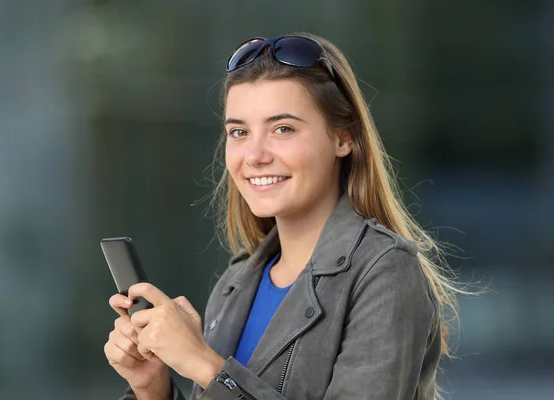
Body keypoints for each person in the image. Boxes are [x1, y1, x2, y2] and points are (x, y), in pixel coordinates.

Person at [104, 33, 460, 400]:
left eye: (282, 129)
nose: (255, 155)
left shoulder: (385, 272)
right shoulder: (236, 283)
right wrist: (152, 388)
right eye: (239, 132)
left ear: (343, 138)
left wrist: (203, 364)